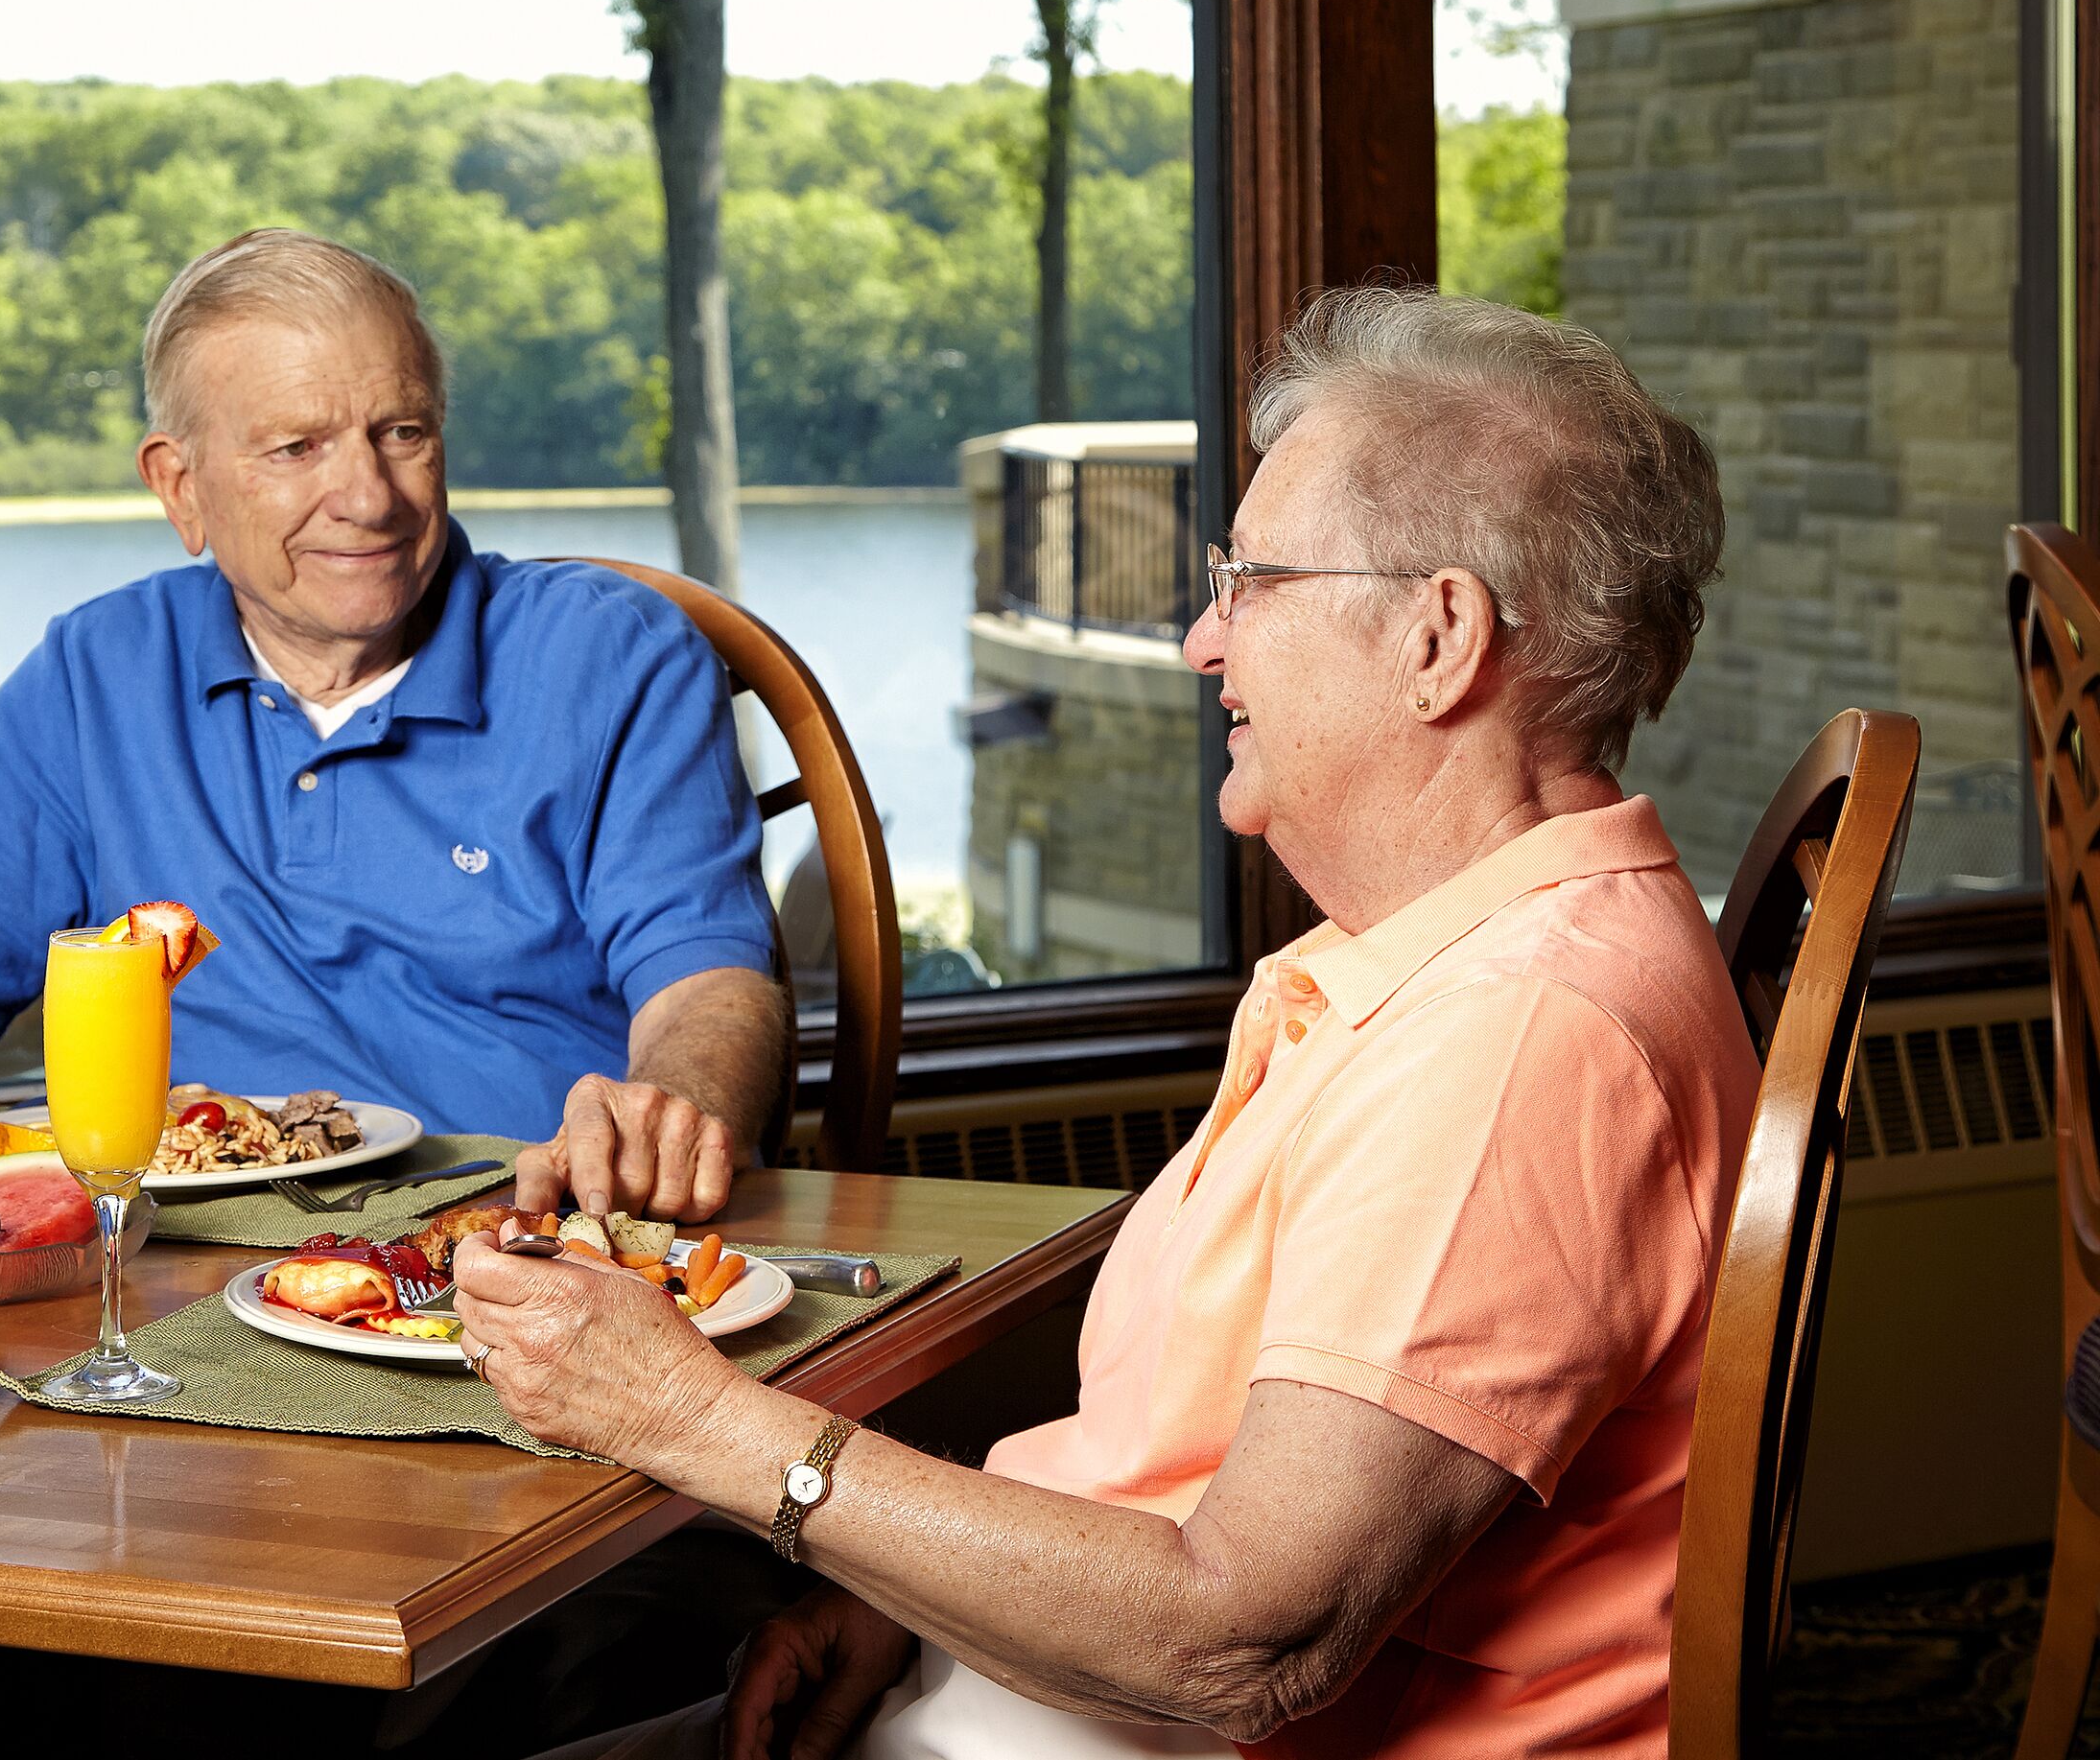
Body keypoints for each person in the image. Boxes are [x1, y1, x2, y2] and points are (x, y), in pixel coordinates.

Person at [454, 285, 1753, 1759]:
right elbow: (1182, 1477)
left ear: (1438, 638)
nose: (1204, 640)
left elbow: (1246, 1636)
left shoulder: (1517, 1032)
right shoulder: (1425, 962)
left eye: (1252, 580)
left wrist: (696, 1423)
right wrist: (916, 1611)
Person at [0, 227, 792, 1219]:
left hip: (520, 1247)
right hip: (169, 1274)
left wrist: (666, 1109)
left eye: (403, 431)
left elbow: (710, 990)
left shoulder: (610, 654)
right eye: (297, 448)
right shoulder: (97, 673)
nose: (370, 497)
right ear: (180, 486)